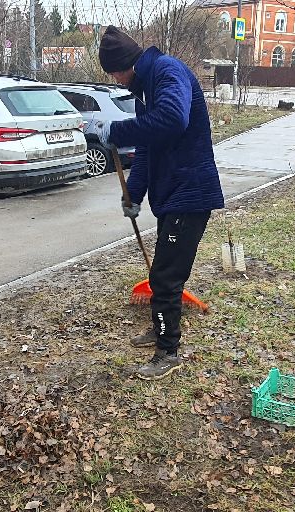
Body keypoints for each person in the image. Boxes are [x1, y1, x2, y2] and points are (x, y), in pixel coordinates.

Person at [83, 26, 224, 381]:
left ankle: (168, 351)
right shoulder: (146, 87)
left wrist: (117, 131)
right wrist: (133, 194)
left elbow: (172, 121)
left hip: (189, 192)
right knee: (163, 271)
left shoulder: (168, 71)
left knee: (164, 276)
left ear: (126, 63)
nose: (115, 79)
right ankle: (162, 332)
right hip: (171, 194)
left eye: (114, 72)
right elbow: (147, 147)